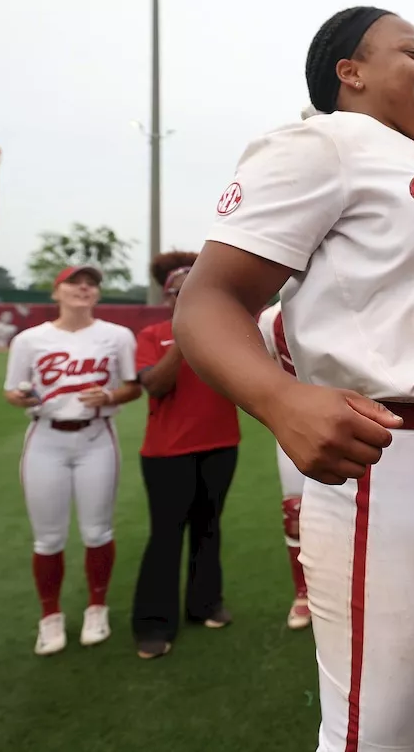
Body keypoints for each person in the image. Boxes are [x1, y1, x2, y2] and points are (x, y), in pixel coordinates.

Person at [173, 6, 414, 752]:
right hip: (398, 457)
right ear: (350, 72)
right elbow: (208, 298)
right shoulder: (322, 142)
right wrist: (278, 397)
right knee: (376, 730)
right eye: (413, 52)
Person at [3, 265, 142, 656]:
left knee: (97, 531)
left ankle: (96, 607)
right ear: (56, 291)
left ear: (98, 294)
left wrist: (111, 397)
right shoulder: (30, 340)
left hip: (96, 437)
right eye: (75, 283)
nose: (84, 288)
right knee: (48, 537)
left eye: (91, 284)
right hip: (46, 439)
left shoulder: (117, 336)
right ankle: (50, 616)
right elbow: (12, 392)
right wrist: (20, 397)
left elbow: (132, 387)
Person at [130, 251, 242, 658]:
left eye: (195, 289)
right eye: (180, 292)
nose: (188, 296)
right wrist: (184, 337)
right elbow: (155, 386)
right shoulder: (151, 336)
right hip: (167, 453)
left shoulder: (225, 330)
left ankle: (205, 604)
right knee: (165, 536)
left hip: (220, 444)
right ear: (167, 297)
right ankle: (153, 624)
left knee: (209, 528)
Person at [257, 293, 310, 630]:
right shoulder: (270, 319)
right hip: (299, 427)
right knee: (295, 510)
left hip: (365, 420)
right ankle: (303, 592)